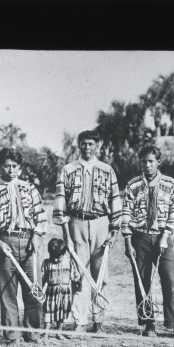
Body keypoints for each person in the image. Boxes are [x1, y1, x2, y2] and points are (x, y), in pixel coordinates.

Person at [0, 147, 47, 347]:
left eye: (15, 166)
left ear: (20, 167)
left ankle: (33, 332)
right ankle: (12, 337)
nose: (11, 170)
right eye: (6, 165)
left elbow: (40, 215)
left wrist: (37, 236)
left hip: (29, 243)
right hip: (4, 244)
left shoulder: (29, 188)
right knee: (8, 292)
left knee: (34, 290)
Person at [53, 130, 122, 334]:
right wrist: (67, 234)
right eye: (83, 143)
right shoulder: (67, 170)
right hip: (77, 223)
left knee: (100, 275)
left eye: (91, 144)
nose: (87, 147)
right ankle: (80, 321)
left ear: (97, 145)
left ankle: (98, 322)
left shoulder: (107, 170)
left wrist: (114, 230)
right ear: (78, 145)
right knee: (78, 275)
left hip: (101, 223)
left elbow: (115, 200)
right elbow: (60, 202)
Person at [122, 146, 174, 339]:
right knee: (143, 281)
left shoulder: (170, 183)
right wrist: (127, 241)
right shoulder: (132, 185)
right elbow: (126, 213)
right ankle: (148, 323)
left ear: (158, 162)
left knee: (169, 279)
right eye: (144, 161)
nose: (147, 165)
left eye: (151, 161)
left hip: (162, 238)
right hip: (139, 237)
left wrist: (165, 235)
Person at [41, 238, 81, 341]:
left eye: (58, 257)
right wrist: (40, 289)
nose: (56, 260)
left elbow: (75, 275)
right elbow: (43, 278)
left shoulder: (70, 262)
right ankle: (45, 334)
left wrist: (77, 283)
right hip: (51, 293)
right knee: (48, 313)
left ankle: (59, 332)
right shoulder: (46, 263)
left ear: (64, 253)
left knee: (62, 313)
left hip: (65, 293)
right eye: (53, 257)